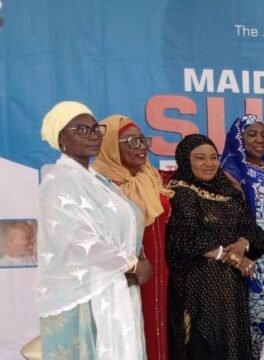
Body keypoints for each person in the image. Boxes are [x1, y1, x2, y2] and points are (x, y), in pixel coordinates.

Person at [36, 101, 146, 359]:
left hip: (117, 288)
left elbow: (128, 223)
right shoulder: (57, 181)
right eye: (81, 129)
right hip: (83, 296)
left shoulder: (99, 181)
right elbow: (76, 241)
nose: (93, 134)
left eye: (96, 128)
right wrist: (132, 265)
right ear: (61, 138)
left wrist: (137, 260)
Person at [166, 134, 264, 360]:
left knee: (232, 345)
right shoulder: (181, 191)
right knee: (203, 347)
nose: (209, 163)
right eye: (200, 158)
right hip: (198, 288)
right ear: (186, 160)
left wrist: (242, 244)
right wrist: (232, 257)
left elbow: (255, 233)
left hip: (231, 289)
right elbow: (185, 238)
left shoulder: (227, 191)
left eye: (213, 157)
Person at [94, 114, 175, 360]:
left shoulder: (150, 178)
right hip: (127, 275)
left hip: (161, 273)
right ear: (109, 146)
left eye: (142, 140)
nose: (140, 147)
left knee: (159, 330)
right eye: (130, 141)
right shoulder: (100, 186)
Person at [221, 114, 264, 357]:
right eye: (252, 134)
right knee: (252, 317)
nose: (259, 140)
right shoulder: (231, 172)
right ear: (239, 139)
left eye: (263, 134)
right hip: (249, 254)